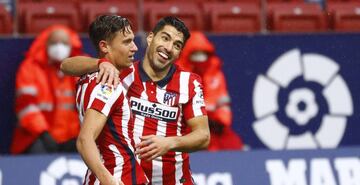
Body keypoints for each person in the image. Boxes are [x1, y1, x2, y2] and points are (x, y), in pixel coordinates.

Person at [61, 16, 210, 185]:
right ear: (150, 37)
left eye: (177, 45)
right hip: (127, 177)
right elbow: (66, 66)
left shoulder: (189, 82)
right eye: (165, 38)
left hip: (174, 180)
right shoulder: (121, 71)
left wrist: (169, 142)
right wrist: (100, 63)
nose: (168, 48)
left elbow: (203, 136)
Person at [75, 15, 148, 185]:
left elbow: (66, 65)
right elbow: (84, 139)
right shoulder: (108, 85)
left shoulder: (87, 77)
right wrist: (108, 179)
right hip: (118, 175)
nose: (135, 47)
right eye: (126, 42)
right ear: (104, 46)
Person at [11, 25, 83, 154]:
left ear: (71, 46)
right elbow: (26, 107)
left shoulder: (81, 67)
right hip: (39, 135)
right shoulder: (30, 68)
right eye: (54, 43)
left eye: (64, 43)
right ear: (46, 44)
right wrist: (43, 134)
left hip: (76, 136)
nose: (59, 47)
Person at [177, 31, 244, 151]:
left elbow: (222, 103)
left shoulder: (215, 73)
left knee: (233, 143)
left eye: (203, 54)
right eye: (195, 54)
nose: (200, 59)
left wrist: (220, 121)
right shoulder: (178, 74)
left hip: (214, 126)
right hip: (186, 128)